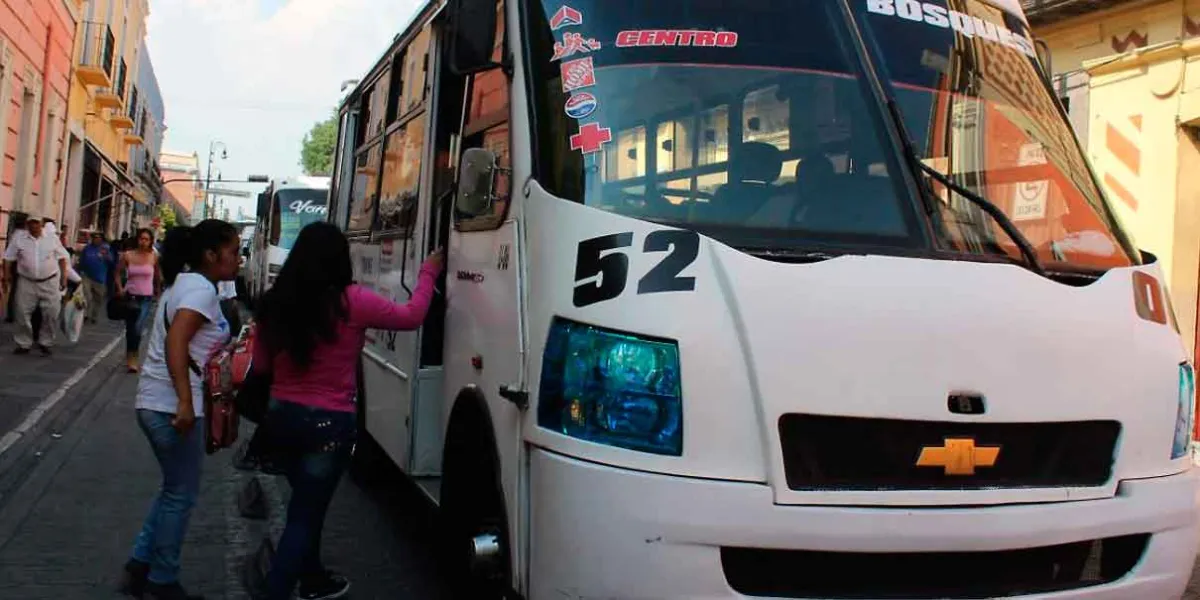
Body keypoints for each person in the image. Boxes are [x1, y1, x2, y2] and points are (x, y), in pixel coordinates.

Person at [251, 222, 443, 600]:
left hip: (281, 419)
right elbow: (412, 316)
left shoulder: (274, 304)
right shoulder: (352, 301)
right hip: (328, 423)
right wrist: (429, 270)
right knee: (306, 514)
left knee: (306, 507)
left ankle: (313, 578)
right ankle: (280, 590)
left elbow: (259, 368)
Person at [119, 219, 241, 600]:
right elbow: (177, 342)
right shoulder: (200, 290)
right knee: (181, 495)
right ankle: (162, 580)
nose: (239, 258)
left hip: (157, 403)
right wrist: (186, 403)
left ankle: (140, 565)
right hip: (170, 407)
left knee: (173, 489)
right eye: (234, 251)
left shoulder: (188, 285)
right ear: (210, 254)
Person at [1, 215, 68, 355]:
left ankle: (46, 342)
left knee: (51, 313)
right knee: (21, 312)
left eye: (36, 223)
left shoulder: (52, 238)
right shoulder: (19, 238)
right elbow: (8, 258)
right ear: (27, 224)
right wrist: (6, 276)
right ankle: (24, 343)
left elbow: (62, 258)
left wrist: (64, 278)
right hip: (27, 281)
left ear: (42, 224)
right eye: (30, 223)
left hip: (50, 280)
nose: (33, 226)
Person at [117, 228, 163, 372]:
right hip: (130, 296)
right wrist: (120, 288)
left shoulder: (154, 256)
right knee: (130, 329)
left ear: (150, 241)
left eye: (146, 239)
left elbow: (157, 276)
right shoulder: (128, 255)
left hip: (146, 297)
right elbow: (117, 273)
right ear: (137, 240)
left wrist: (158, 292)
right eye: (141, 239)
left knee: (138, 328)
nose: (143, 242)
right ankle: (130, 355)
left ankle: (134, 357)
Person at [79, 232, 115, 323]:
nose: (96, 239)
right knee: (87, 296)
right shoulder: (87, 248)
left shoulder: (105, 249)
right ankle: (85, 314)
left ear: (101, 240)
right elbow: (81, 260)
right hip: (87, 276)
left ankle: (94, 316)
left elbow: (112, 262)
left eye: (98, 238)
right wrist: (80, 271)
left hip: (100, 278)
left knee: (98, 299)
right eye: (95, 238)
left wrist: (105, 255)